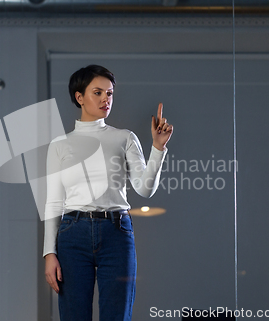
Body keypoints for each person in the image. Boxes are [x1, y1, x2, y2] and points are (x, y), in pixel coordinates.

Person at [43, 64, 173, 321]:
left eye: (110, 93)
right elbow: (53, 202)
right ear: (79, 97)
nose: (106, 99)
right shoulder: (60, 145)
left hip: (116, 233)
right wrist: (49, 253)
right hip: (72, 233)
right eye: (98, 92)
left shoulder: (124, 138)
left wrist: (158, 148)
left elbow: (145, 189)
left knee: (117, 315)